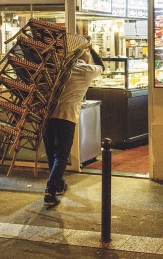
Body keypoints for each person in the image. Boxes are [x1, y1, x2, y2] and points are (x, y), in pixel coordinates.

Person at [43, 38, 105, 206]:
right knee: (61, 156)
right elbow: (102, 66)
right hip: (67, 116)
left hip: (47, 116)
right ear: (84, 57)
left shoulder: (58, 68)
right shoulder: (86, 70)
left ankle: (59, 184)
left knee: (51, 154)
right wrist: (91, 49)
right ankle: (50, 191)